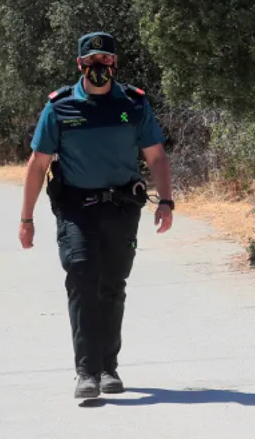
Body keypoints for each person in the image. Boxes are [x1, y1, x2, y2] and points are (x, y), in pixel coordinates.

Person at [18, 32, 174, 400]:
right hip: (76, 208)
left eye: (105, 60)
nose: (98, 67)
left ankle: (108, 367)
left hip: (122, 208)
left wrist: (166, 201)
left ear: (115, 64)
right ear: (80, 65)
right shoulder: (60, 107)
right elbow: (37, 165)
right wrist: (27, 219)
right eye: (91, 62)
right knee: (82, 279)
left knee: (112, 286)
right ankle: (86, 372)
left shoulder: (134, 105)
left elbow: (156, 157)